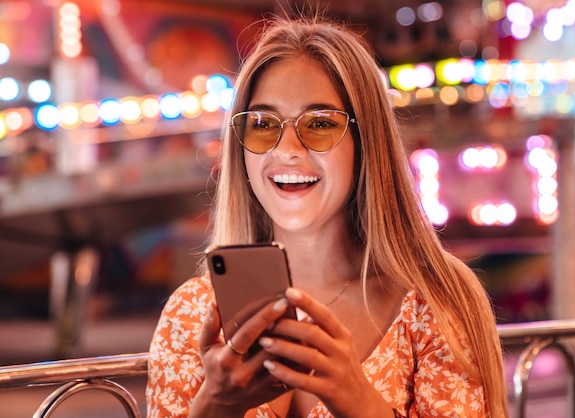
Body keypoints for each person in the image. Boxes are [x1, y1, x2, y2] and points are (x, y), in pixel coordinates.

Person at [146, 13, 509, 418]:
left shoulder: (436, 299)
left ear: (365, 141)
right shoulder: (192, 313)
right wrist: (214, 407)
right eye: (263, 124)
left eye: (319, 124)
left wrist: (358, 401)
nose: (287, 149)